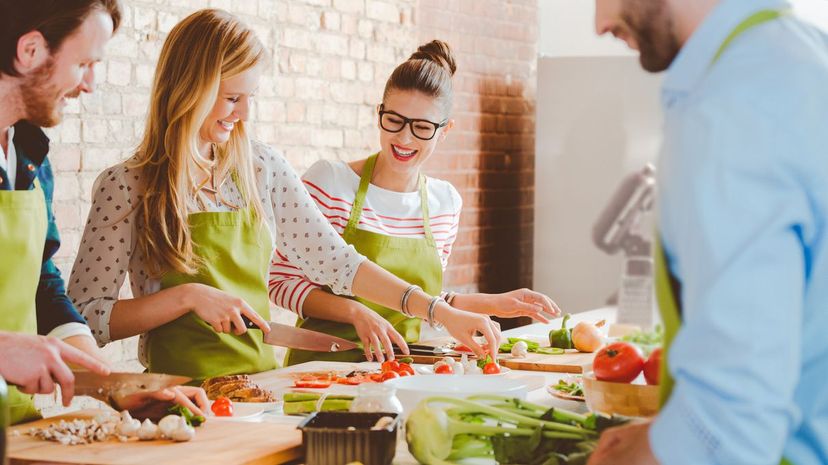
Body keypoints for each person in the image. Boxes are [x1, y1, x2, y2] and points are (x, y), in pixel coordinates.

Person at [68, 9, 501, 382]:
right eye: (232, 97)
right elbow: (85, 315)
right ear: (188, 89)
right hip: (172, 397)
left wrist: (440, 314)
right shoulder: (127, 185)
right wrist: (186, 297)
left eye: (249, 97)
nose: (243, 115)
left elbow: (339, 263)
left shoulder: (261, 169)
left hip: (261, 391)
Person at [587, 0, 828, 464]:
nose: (599, 25)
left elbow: (735, 419)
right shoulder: (801, 61)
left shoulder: (729, 108)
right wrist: (668, 431)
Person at [272, 40, 561, 365]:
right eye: (394, 120)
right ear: (379, 112)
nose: (405, 138)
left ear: (445, 130)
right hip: (320, 371)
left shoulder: (445, 203)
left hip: (400, 371)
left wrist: (493, 303)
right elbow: (281, 282)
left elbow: (422, 300)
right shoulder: (331, 183)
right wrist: (355, 312)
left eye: (422, 127)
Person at [0, 0, 206, 424]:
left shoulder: (29, 153)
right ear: (31, 51)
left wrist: (114, 386)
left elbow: (41, 286)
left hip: (14, 424)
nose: (90, 84)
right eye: (84, 64)